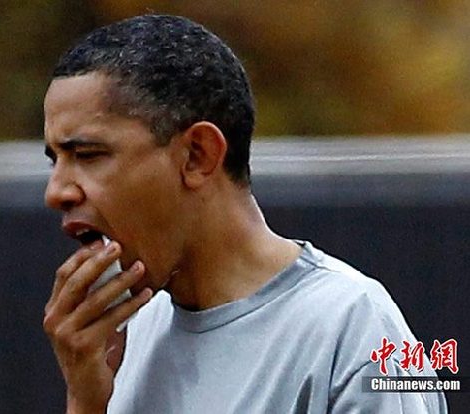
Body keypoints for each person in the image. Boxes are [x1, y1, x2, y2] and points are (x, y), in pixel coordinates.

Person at [42, 14, 448, 414]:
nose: (56, 191)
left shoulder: (352, 327)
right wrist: (85, 403)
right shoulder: (119, 338)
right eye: (54, 160)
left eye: (87, 155)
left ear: (197, 155)